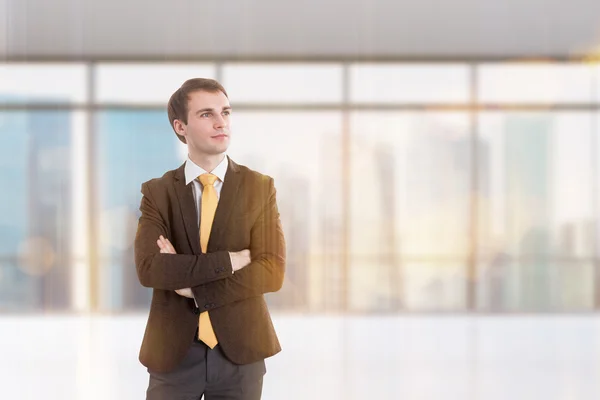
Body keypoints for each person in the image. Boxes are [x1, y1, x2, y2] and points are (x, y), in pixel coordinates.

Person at [134, 77, 286, 399]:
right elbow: (150, 269)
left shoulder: (260, 188)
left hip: (240, 354)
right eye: (206, 114)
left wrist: (193, 287)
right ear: (180, 126)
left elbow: (272, 272)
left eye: (226, 113)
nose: (221, 123)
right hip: (173, 354)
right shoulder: (157, 193)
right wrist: (232, 260)